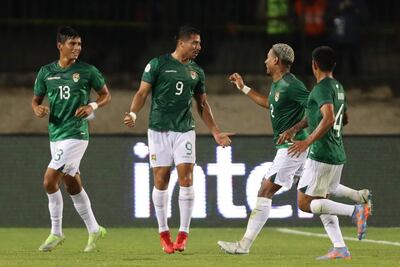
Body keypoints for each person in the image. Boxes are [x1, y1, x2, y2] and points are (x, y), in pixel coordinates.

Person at [217, 43, 371, 255]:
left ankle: (244, 245)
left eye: (268, 57)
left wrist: (297, 129)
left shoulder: (292, 85)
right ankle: (341, 244)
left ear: (276, 61)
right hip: (295, 147)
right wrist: (243, 87)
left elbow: (316, 107)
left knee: (265, 190)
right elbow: (268, 103)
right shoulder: (278, 85)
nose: (265, 61)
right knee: (319, 197)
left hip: (293, 148)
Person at [123, 25, 233, 254]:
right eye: (195, 43)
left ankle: (183, 234)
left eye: (200, 43)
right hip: (158, 130)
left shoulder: (197, 72)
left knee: (187, 177)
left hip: (184, 129)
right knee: (161, 179)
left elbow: (202, 104)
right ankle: (164, 233)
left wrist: (215, 131)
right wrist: (133, 113)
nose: (199, 47)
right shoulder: (158, 64)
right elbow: (142, 93)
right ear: (181, 43)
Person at [32, 26, 111, 252]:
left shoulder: (87, 71)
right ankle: (95, 229)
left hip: (76, 134)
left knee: (49, 181)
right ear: (60, 45)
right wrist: (37, 108)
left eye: (79, 44)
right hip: (56, 134)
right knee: (72, 183)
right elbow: (35, 100)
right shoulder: (46, 72)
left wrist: (92, 105)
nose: (76, 48)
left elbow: (106, 95)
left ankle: (56, 232)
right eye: (72, 44)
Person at [289, 46, 370, 260]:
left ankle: (355, 211)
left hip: (321, 154)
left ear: (314, 65)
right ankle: (340, 247)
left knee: (305, 203)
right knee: (323, 198)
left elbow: (328, 117)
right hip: (336, 152)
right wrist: (296, 128)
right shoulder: (338, 87)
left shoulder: (321, 88)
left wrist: (307, 140)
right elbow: (344, 118)